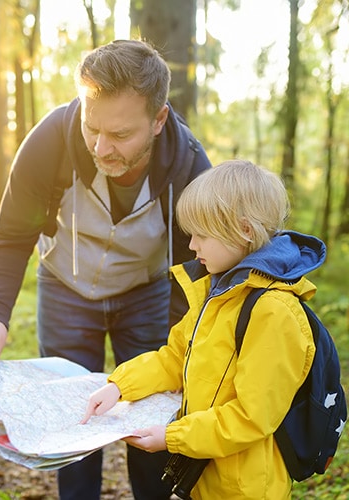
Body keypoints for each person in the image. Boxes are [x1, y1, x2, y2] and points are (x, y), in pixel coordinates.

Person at [0, 39, 212, 500]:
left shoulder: (189, 169)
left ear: (158, 120)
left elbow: (197, 269)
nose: (102, 147)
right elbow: (10, 236)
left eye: (121, 135)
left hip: (146, 296)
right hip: (65, 289)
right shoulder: (49, 143)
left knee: (148, 416)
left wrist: (181, 350)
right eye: (92, 126)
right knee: (72, 422)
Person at [81, 159, 327, 499]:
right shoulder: (218, 291)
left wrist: (172, 438)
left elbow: (252, 417)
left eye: (201, 235)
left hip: (245, 487)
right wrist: (120, 386)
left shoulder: (274, 313)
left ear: (243, 230)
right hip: (206, 473)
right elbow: (174, 358)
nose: (192, 246)